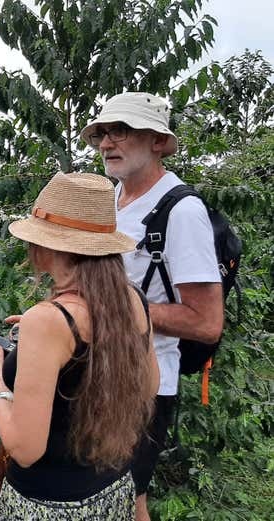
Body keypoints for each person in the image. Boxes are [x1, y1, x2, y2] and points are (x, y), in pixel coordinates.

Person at [79, 92, 224, 520]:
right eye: (103, 133)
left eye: (121, 131)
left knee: (126, 502)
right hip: (97, 373)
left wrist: (109, 312)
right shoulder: (113, 199)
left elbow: (206, 322)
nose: (107, 143)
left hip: (143, 386)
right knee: (106, 501)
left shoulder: (181, 212)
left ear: (158, 142)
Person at [0, 172, 160, 520]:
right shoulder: (132, 299)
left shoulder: (49, 321)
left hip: (49, 505)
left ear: (46, 246)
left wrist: (0, 390)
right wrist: (46, 338)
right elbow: (148, 386)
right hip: (112, 491)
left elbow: (25, 449)